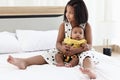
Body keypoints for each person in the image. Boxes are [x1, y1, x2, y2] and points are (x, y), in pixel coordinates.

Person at [7, 0, 97, 79]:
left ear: (79, 14)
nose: (67, 14)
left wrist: (78, 49)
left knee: (87, 56)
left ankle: (89, 70)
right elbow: (58, 43)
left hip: (80, 51)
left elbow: (89, 44)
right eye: (66, 11)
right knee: (50, 54)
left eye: (71, 13)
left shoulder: (86, 26)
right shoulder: (63, 25)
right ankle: (25, 61)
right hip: (64, 52)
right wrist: (62, 48)